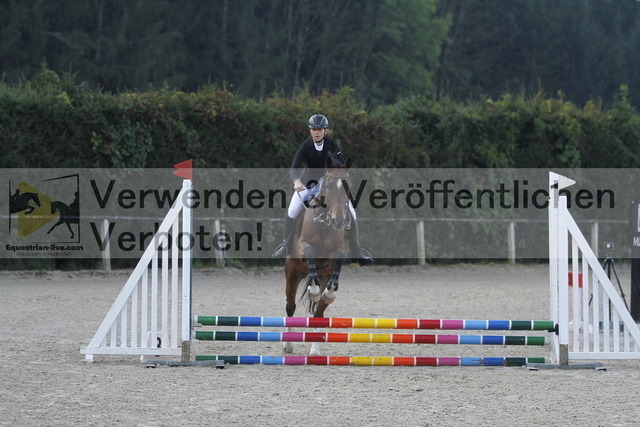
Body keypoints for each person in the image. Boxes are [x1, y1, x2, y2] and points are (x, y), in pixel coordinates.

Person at [272, 114, 373, 266]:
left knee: (352, 211)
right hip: (307, 183)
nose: (316, 132)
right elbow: (294, 168)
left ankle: (357, 251)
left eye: (319, 129)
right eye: (314, 129)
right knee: (292, 210)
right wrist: (296, 181)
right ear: (310, 131)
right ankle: (284, 247)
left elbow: (341, 166)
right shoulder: (306, 146)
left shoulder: (332, 145)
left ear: (325, 131)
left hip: (329, 184)